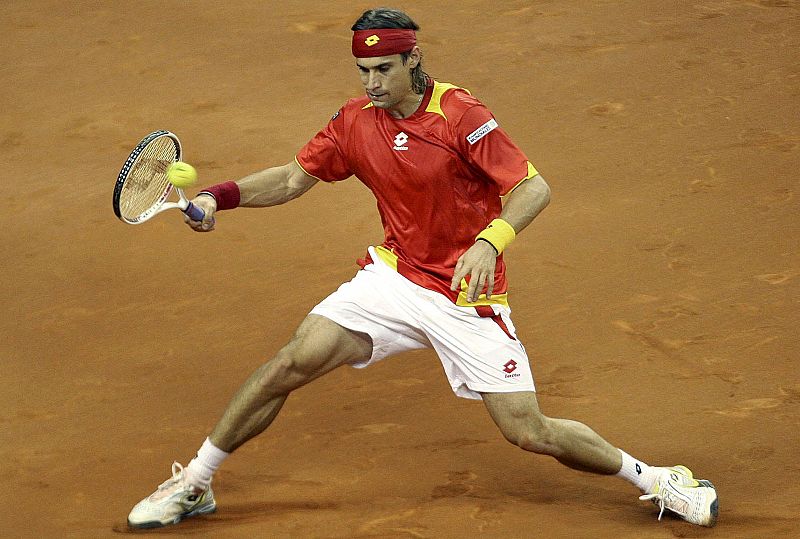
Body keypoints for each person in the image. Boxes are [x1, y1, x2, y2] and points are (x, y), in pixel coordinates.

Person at [127, 7, 718, 530]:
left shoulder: (460, 114)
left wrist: (491, 241)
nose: (372, 83)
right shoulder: (354, 123)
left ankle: (657, 479)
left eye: (383, 69)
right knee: (291, 361)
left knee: (528, 431)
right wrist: (217, 197)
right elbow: (288, 179)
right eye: (363, 72)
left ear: (414, 60)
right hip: (394, 277)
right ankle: (196, 483)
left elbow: (532, 187)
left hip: (465, 295)